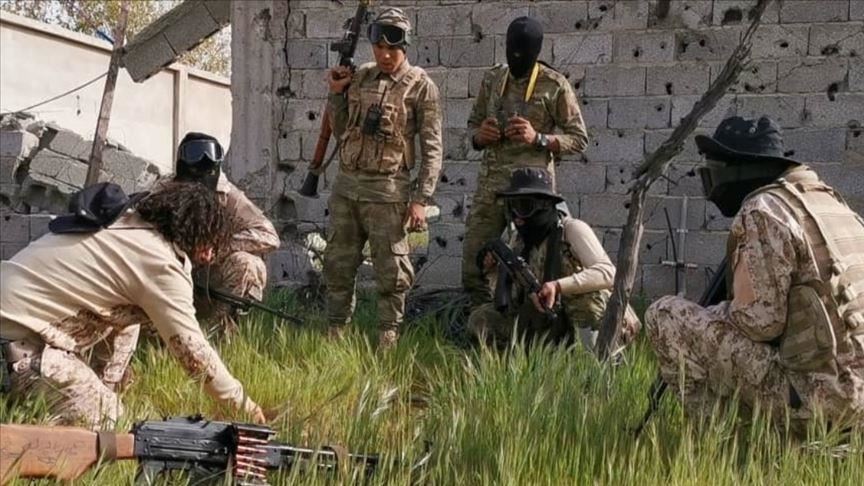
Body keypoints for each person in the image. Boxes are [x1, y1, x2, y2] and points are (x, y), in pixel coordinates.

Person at [645, 116, 864, 429]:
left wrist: (717, 312)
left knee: (665, 314)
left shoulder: (763, 209)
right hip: (854, 390)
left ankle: (723, 444)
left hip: (823, 397)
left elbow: (761, 323)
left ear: (737, 170)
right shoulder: (830, 203)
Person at [0, 182, 266, 429]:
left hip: (14, 325)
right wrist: (246, 407)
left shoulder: (125, 224)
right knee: (112, 426)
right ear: (197, 236)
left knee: (129, 321)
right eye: (209, 244)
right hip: (19, 347)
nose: (209, 257)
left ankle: (97, 389)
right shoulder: (161, 264)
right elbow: (193, 352)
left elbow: (124, 320)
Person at [323, 7, 442, 348]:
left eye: (393, 48)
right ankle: (335, 334)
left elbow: (433, 149)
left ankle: (387, 338)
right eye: (379, 47)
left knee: (392, 271)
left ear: (405, 46)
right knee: (338, 265)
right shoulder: (360, 76)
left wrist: (420, 200)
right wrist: (336, 93)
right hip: (347, 188)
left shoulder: (421, 86)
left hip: (387, 193)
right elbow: (342, 131)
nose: (385, 55)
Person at [469, 168, 640, 351]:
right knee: (483, 318)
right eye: (511, 206)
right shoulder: (520, 241)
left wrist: (558, 286)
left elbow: (609, 273)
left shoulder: (571, 229)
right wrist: (494, 272)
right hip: (552, 319)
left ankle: (599, 361)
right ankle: (519, 362)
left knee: (584, 301)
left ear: (544, 205)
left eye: (524, 206)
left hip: (595, 319)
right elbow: (512, 299)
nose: (517, 215)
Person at [173, 132, 280, 332]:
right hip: (171, 271)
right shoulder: (166, 191)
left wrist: (217, 247)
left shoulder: (228, 197)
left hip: (208, 277)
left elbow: (269, 236)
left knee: (248, 264)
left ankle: (218, 330)